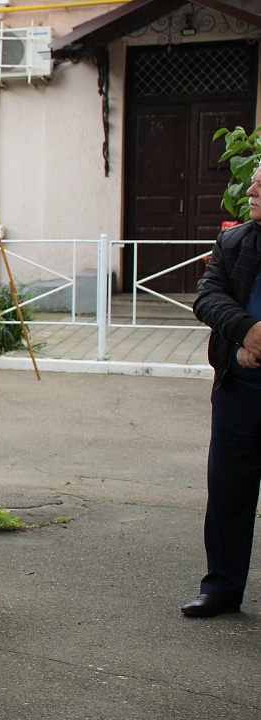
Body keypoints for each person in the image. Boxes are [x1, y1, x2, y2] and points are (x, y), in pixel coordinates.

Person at [181, 166, 261, 618]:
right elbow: (208, 297)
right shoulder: (234, 241)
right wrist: (245, 332)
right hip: (238, 392)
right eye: (254, 179)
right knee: (228, 493)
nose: (251, 188)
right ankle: (222, 588)